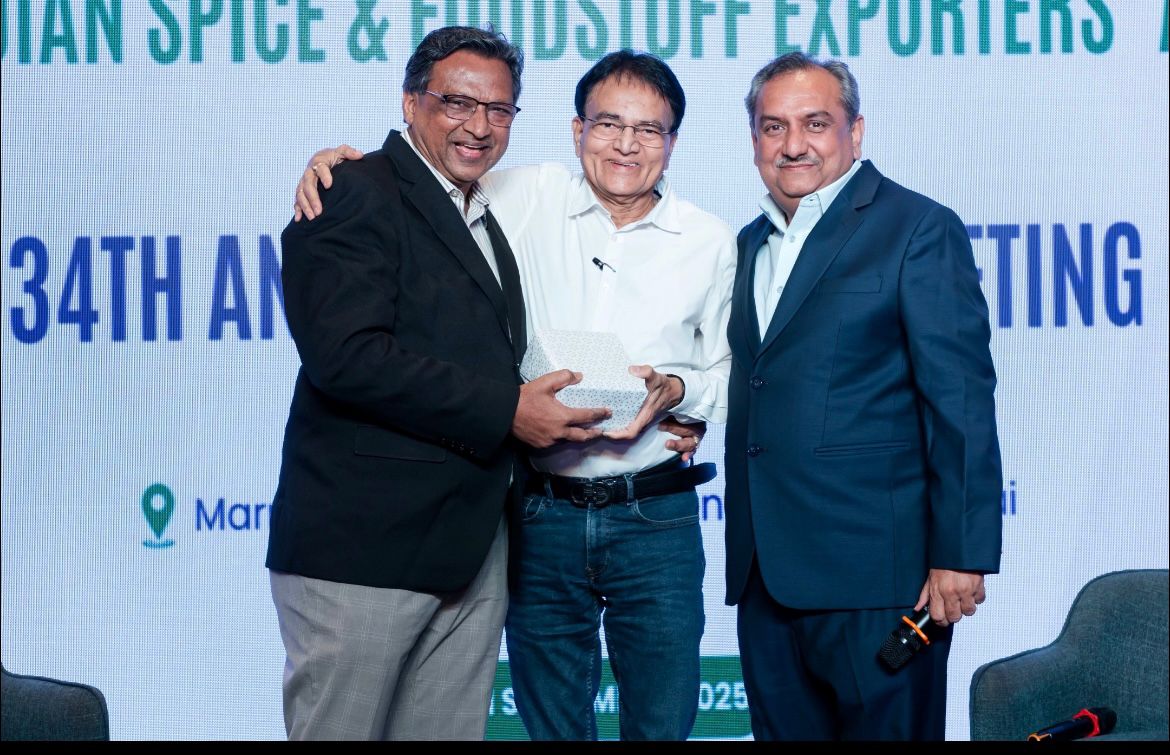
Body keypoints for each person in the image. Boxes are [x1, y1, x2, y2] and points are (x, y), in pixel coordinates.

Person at [295, 51, 736, 741]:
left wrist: (683, 391)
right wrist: (336, 166)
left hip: (654, 512)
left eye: (649, 129)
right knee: (550, 723)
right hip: (540, 513)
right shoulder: (522, 195)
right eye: (608, 124)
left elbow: (732, 373)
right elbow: (419, 176)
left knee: (663, 722)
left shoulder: (710, 240)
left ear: (673, 141)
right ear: (576, 130)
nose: (626, 144)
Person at [266, 26, 614, 741]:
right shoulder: (352, 189)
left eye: (499, 109)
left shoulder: (487, 210)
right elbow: (347, 357)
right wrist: (507, 410)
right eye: (457, 103)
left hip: (469, 551)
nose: (479, 126)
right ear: (410, 102)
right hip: (364, 550)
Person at [723, 52, 1003, 740]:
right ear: (754, 139)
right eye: (773, 126)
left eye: (816, 123)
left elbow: (961, 402)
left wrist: (961, 552)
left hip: (880, 581)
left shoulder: (916, 227)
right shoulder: (750, 242)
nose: (793, 144)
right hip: (766, 580)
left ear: (856, 130)